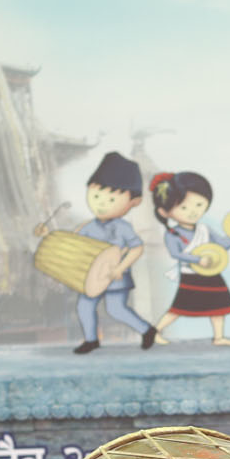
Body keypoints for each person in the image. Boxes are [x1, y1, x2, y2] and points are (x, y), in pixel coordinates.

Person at [72, 151, 156, 354]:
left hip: (115, 275)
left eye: (111, 199)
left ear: (133, 202)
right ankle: (91, 340)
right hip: (92, 274)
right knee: (84, 306)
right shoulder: (88, 226)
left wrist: (121, 267)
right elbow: (73, 243)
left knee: (115, 309)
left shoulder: (122, 227)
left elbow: (137, 248)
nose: (101, 203)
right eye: (96, 195)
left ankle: (147, 330)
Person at [148, 170, 230, 346]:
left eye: (198, 205)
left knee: (219, 305)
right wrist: (198, 260)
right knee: (179, 308)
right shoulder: (173, 234)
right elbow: (176, 254)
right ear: (165, 212)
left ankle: (218, 337)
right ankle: (155, 332)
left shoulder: (205, 229)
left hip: (211, 272)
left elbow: (222, 245)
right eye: (183, 208)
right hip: (191, 274)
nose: (192, 212)